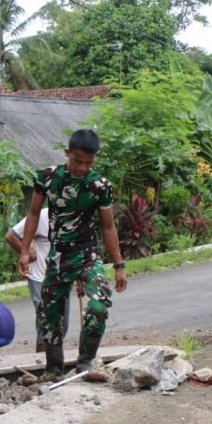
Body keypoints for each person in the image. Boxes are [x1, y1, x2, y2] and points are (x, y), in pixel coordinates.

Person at [18, 129, 128, 381]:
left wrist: (119, 265)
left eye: (88, 162)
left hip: (88, 254)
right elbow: (33, 214)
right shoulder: (46, 177)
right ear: (67, 153)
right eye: (77, 161)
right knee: (49, 314)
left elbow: (108, 226)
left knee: (99, 304)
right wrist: (25, 251)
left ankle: (85, 362)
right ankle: (53, 369)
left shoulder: (101, 186)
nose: (82, 167)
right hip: (57, 257)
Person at [5, 208, 70, 353]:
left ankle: (54, 359)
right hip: (39, 276)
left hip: (62, 277)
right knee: (45, 320)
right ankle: (42, 362)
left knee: (62, 324)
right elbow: (10, 236)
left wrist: (79, 280)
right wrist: (27, 253)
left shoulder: (71, 216)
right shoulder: (40, 216)